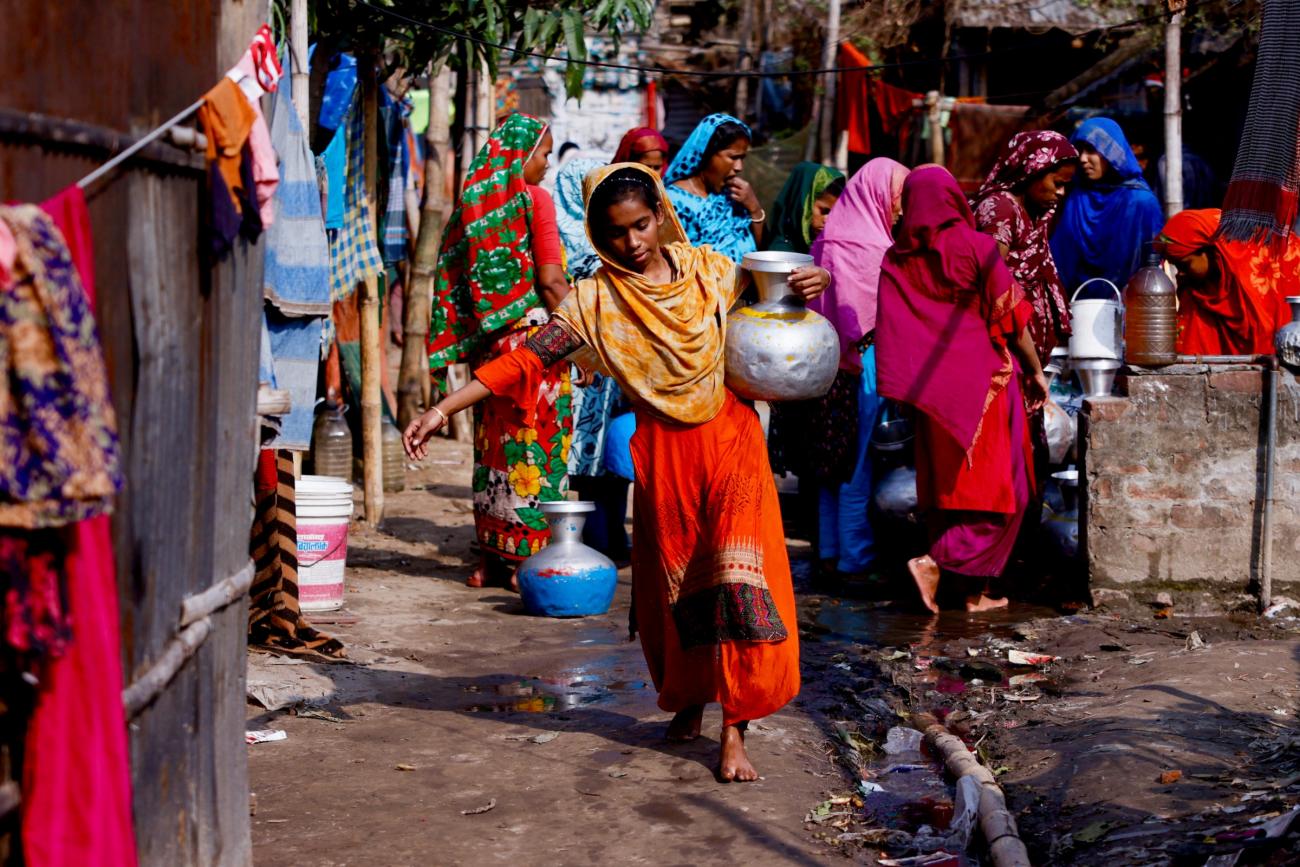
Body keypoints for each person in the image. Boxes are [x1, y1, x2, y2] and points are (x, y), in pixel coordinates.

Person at [405, 163, 831, 782]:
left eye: (639, 225)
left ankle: (736, 728)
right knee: (676, 588)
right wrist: (443, 406)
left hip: (733, 440)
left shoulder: (713, 271)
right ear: (598, 236)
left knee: (741, 580)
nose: (632, 244)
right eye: (615, 234)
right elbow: (527, 358)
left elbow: (779, 294)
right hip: (665, 456)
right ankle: (688, 699)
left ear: (659, 215)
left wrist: (809, 278)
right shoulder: (596, 302)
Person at [875, 166, 1048, 613]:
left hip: (931, 395)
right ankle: (936, 562)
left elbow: (893, 329)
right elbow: (1012, 317)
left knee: (952, 495)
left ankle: (973, 595)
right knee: (1008, 491)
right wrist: (1036, 371)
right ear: (954, 199)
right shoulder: (978, 247)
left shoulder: (896, 258)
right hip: (986, 386)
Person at [426, 112, 573, 589]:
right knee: (538, 452)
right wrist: (581, 336)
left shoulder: (472, 204)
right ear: (523, 155)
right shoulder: (536, 201)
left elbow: (452, 280)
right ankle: (527, 563)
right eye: (544, 154)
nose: (547, 165)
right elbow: (551, 281)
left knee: (493, 454)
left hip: (489, 353)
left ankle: (491, 560)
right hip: (536, 351)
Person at [777, 159, 909, 581]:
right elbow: (871, 321)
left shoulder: (827, 241)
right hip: (863, 366)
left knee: (831, 470)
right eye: (897, 198)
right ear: (878, 196)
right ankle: (856, 560)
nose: (901, 209)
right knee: (857, 469)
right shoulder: (874, 249)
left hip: (824, 369)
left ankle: (831, 553)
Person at [554, 156, 632, 559]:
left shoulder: (608, 234)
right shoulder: (560, 239)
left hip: (615, 364)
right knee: (585, 460)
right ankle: (591, 541)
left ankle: (612, 537)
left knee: (614, 457)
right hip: (583, 364)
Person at [973, 131, 1079, 361]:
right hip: (1005, 346)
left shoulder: (1034, 212)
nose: (1061, 193)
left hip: (1021, 346)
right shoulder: (1000, 210)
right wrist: (1032, 365)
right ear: (1033, 171)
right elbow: (996, 289)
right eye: (1058, 183)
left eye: (1066, 186)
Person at [1155, 208, 1298, 355]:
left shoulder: (1251, 280)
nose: (1180, 274)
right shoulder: (1197, 291)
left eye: (1184, 265)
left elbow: (1265, 339)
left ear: (1211, 252)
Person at [1050, 117, 1165, 294]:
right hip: (1078, 309)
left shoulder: (1141, 203)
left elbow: (1153, 266)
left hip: (1132, 309)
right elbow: (1060, 261)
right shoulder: (1077, 198)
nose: (1082, 159)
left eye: (1091, 150)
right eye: (1079, 151)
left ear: (1112, 151)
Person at [663, 114, 764, 263]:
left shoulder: (734, 196)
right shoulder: (675, 202)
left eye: (742, 158)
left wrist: (754, 209)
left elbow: (761, 253)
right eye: (733, 157)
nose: (739, 167)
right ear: (706, 154)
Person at [767, 161, 846, 254]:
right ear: (802, 204)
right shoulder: (781, 254)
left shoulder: (827, 247)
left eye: (834, 213)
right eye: (824, 211)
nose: (828, 220)